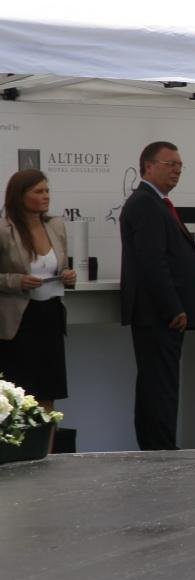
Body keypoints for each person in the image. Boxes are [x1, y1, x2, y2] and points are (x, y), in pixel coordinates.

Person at [120, 141, 195, 450]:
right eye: (170, 164)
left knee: (159, 384)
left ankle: (159, 447)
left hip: (161, 312)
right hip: (158, 314)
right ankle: (160, 450)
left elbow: (172, 258)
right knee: (160, 386)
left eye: (180, 165)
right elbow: (152, 261)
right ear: (148, 167)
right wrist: (173, 308)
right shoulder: (146, 203)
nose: (177, 170)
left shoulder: (157, 203)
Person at [0, 170, 75, 414]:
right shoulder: (4, 230)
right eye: (38, 191)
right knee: (19, 397)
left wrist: (68, 275)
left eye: (47, 191)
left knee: (49, 392)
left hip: (50, 316)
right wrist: (18, 281)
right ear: (20, 195)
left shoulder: (56, 225)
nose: (46, 196)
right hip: (19, 321)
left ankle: (48, 440)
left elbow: (61, 265)